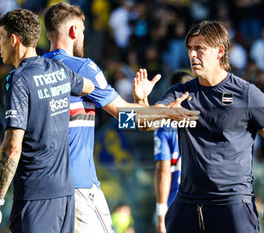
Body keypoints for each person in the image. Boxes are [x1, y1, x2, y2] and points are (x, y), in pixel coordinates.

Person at [43, 3, 200, 233]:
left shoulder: (31, 72)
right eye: (84, 32)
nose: (84, 38)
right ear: (75, 31)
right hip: (79, 187)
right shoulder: (83, 69)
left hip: (40, 191)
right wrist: (163, 111)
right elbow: (127, 118)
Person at [139, 21, 264, 233]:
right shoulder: (179, 93)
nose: (192, 55)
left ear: (220, 51)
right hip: (188, 203)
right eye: (190, 49)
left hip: (232, 204)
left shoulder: (247, 94)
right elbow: (145, 123)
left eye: (199, 48)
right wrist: (141, 101)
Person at [0, 9, 95, 233]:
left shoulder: (17, 79)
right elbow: (88, 86)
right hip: (65, 196)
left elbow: (12, 147)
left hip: (35, 198)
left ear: (14, 40)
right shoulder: (58, 69)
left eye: (1, 37)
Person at [153, 71, 192, 233]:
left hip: (175, 205)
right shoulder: (205, 120)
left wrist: (161, 214)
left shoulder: (164, 126)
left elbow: (163, 170)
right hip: (205, 201)